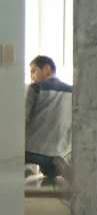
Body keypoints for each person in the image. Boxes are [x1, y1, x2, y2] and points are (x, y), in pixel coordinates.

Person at [25, 54, 73, 187]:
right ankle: (56, 168)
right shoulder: (72, 91)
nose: (32, 77)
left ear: (46, 69)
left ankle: (28, 172)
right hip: (60, 150)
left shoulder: (36, 88)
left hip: (33, 151)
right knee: (51, 169)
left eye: (33, 71)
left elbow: (24, 119)